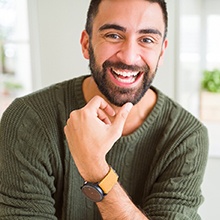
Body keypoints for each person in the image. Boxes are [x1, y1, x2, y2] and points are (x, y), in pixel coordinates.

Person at [0, 0, 208, 219]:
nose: (129, 57)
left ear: (161, 52)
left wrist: (96, 171)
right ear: (85, 44)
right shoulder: (28, 119)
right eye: (113, 35)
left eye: (147, 39)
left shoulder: (186, 137)